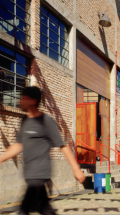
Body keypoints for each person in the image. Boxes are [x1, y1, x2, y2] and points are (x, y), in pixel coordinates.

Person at [0, 87, 85, 215]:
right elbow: (18, 146)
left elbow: (63, 146)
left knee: (24, 209)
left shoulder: (46, 121)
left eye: (24, 98)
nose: (20, 101)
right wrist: (1, 158)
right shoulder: (25, 121)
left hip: (39, 173)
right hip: (30, 174)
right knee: (44, 209)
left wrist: (76, 169)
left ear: (33, 101)